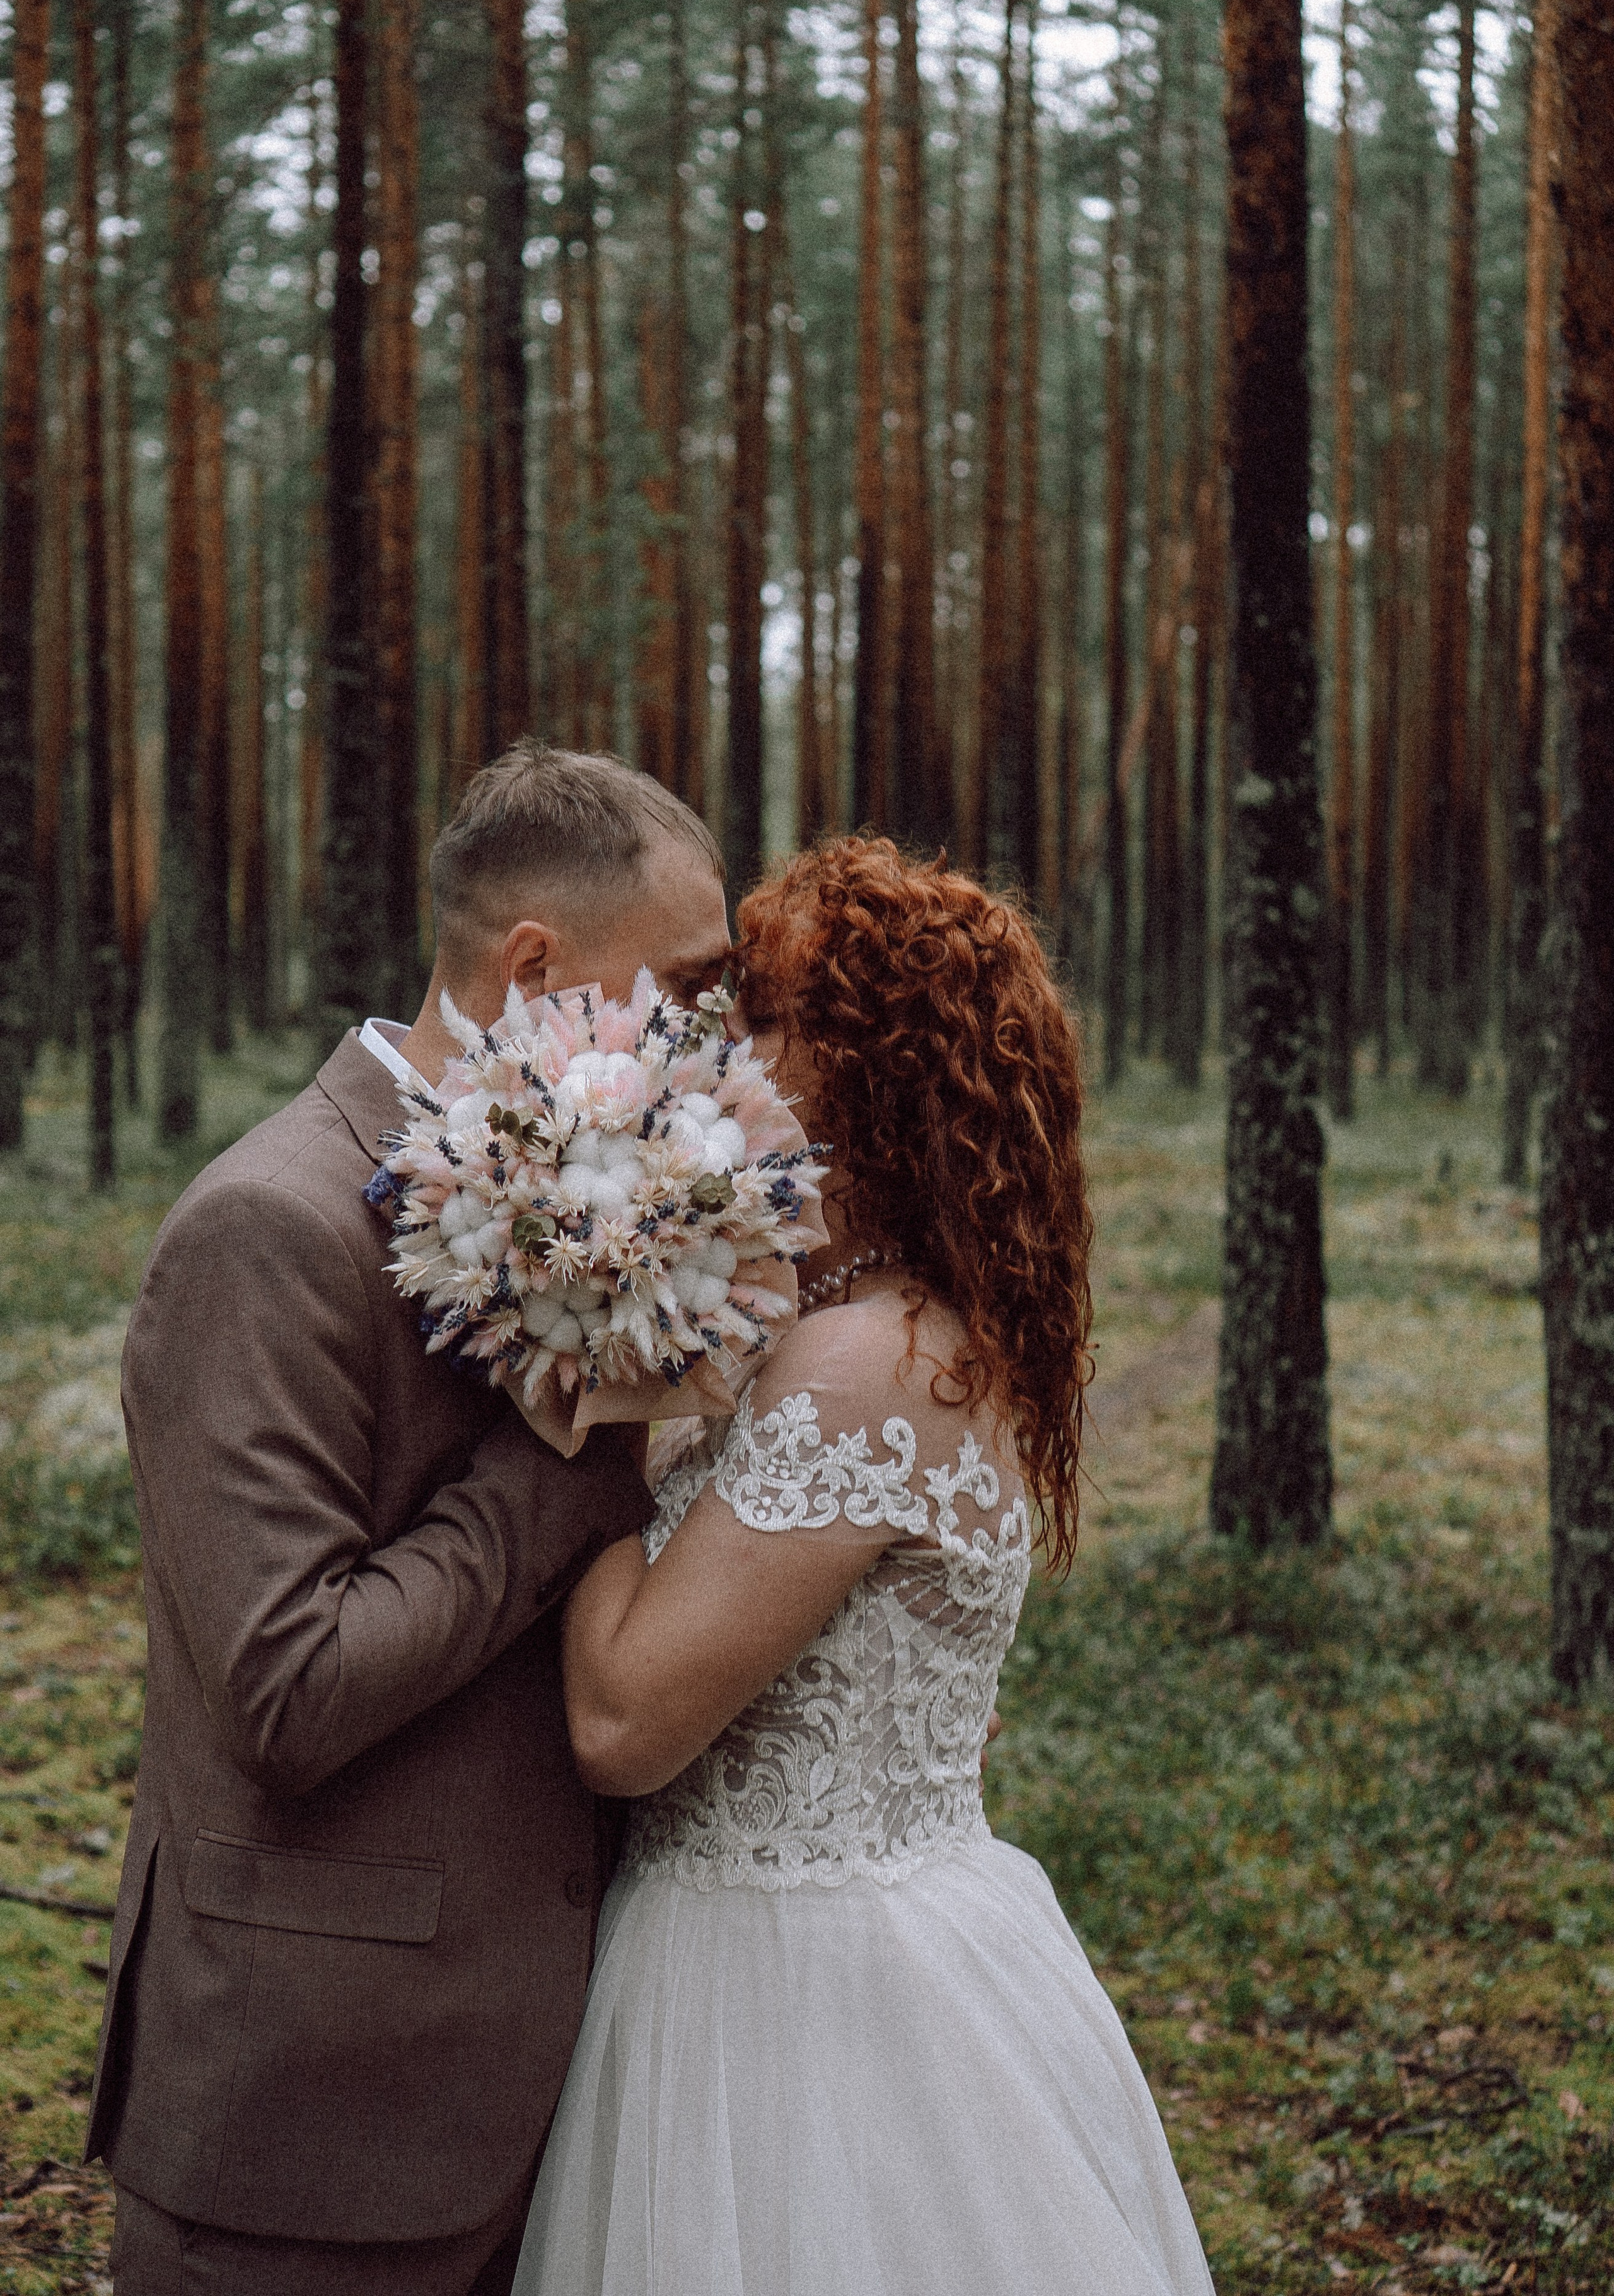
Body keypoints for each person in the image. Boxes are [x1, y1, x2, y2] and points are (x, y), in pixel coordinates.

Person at [513, 836, 1216, 2296]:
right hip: (820, 1935)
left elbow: (621, 1725)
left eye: (763, 1017)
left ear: (871, 1070)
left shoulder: (863, 1363)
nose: (721, 1053)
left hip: (800, 1996)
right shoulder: (874, 1327)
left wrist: (574, 1425)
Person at [91, 744, 731, 2296]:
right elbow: (286, 1688)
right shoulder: (272, 1228)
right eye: (688, 983)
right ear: (534, 969)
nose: (710, 1030)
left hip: (551, 2103)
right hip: (313, 2134)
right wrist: (580, 1467)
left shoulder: (604, 1193)